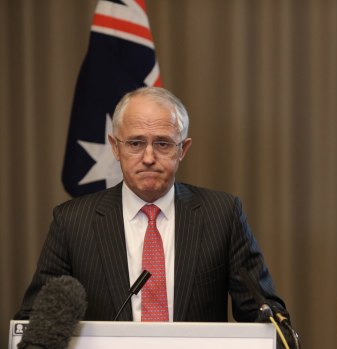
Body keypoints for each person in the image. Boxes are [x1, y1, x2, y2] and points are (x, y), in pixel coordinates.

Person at [15, 86, 287, 324]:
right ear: (115, 147)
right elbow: (36, 321)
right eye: (135, 143)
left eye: (163, 144)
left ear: (183, 149)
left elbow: (263, 312)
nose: (148, 157)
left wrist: (273, 323)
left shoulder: (222, 215)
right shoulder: (72, 222)